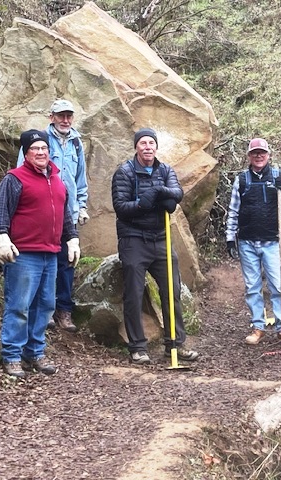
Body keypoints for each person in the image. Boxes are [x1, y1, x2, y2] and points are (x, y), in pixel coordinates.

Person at [0, 129, 80, 378]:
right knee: (19, 306)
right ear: (25, 153)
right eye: (34, 149)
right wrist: (1, 238)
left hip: (51, 254)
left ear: (49, 152)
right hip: (23, 254)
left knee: (45, 306)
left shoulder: (57, 179)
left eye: (44, 148)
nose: (40, 153)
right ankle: (12, 356)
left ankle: (35, 353)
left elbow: (65, 215)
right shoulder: (15, 179)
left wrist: (72, 239)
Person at [111, 128, 199, 365]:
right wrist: (142, 204)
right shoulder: (125, 172)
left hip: (161, 238)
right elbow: (120, 207)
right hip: (133, 239)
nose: (148, 147)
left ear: (156, 147)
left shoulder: (165, 170)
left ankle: (175, 344)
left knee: (172, 291)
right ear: (136, 147)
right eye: (143, 143)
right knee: (134, 293)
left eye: (151, 143)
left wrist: (160, 191)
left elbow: (176, 193)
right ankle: (137, 347)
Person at [17, 99, 88, 332]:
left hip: (68, 211)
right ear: (52, 117)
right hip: (42, 212)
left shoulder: (77, 143)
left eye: (69, 116)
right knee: (41, 262)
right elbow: (21, 175)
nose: (65, 120)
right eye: (61, 116)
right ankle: (43, 311)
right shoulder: (38, 142)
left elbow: (80, 178)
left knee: (67, 262)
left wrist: (83, 206)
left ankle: (64, 311)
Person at [225, 138, 281, 348]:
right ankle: (258, 326)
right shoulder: (241, 180)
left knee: (278, 287)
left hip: (271, 242)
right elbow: (233, 211)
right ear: (249, 156)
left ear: (268, 155)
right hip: (247, 242)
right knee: (252, 287)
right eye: (254, 153)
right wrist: (230, 238)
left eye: (262, 153)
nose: (259, 156)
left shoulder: (279, 176)